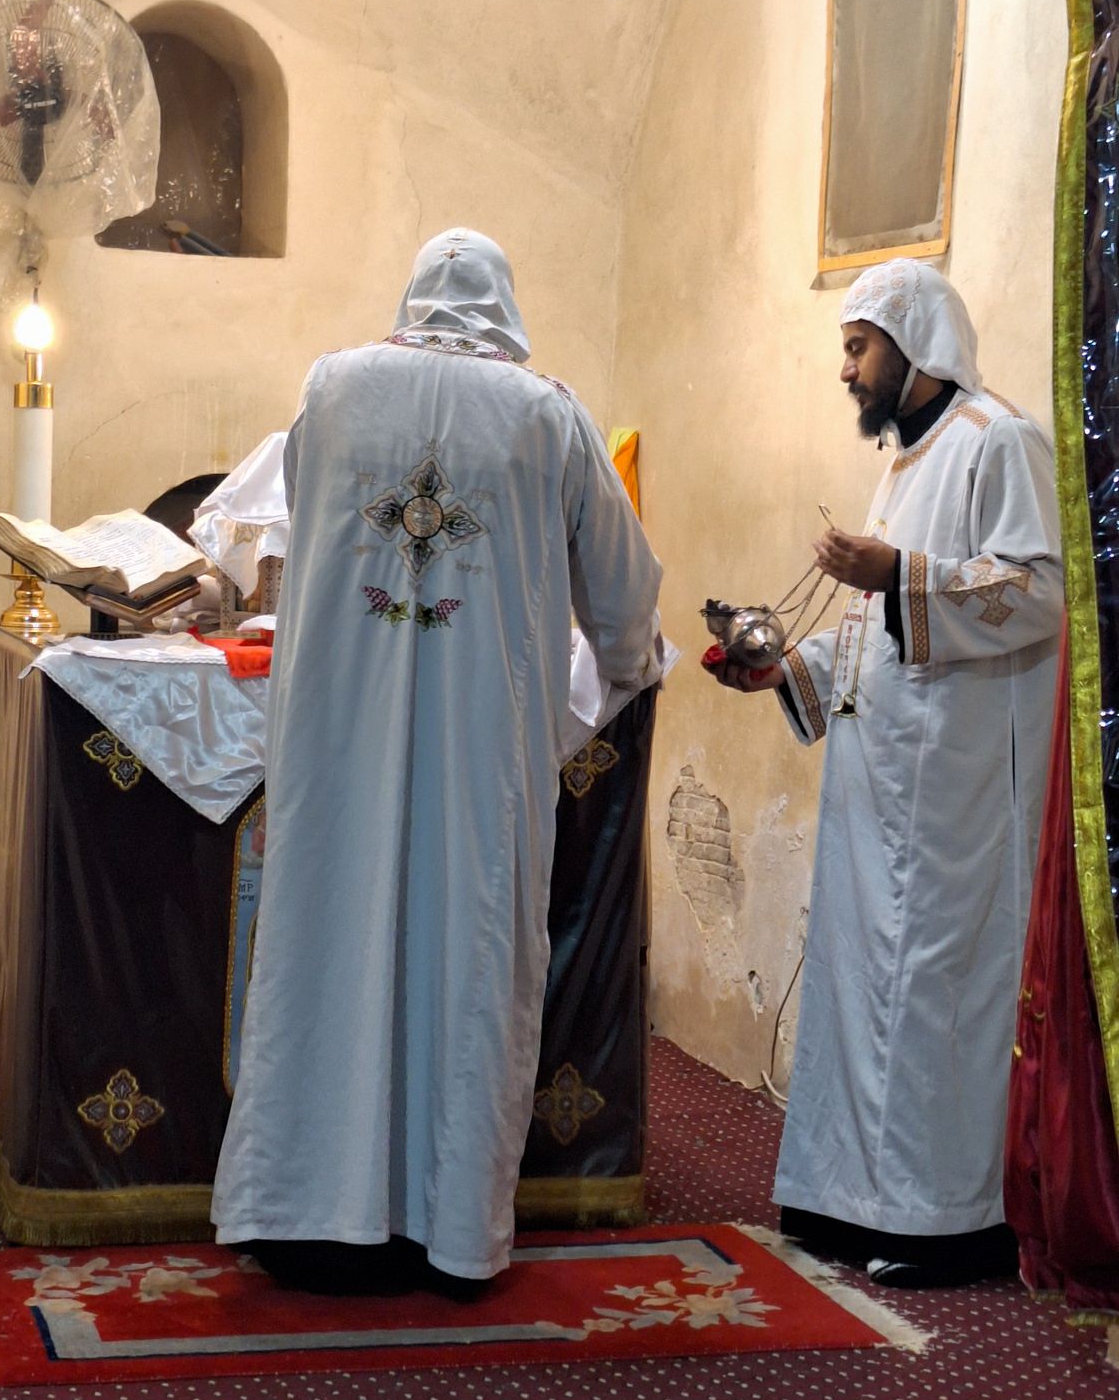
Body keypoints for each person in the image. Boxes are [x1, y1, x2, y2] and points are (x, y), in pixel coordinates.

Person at [210, 228, 663, 1289]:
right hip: (481, 759)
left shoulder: (333, 387)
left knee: (326, 948)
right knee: (469, 957)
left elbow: (279, 519)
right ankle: (445, 1230)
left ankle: (303, 1217)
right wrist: (630, 663)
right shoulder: (546, 414)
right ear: (505, 304)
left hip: (339, 744)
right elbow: (621, 585)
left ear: (412, 296)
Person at [706, 258, 1061, 1286]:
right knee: (863, 986)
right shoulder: (906, 461)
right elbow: (876, 627)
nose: (847, 370)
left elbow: (1039, 594)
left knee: (938, 993)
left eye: (858, 347)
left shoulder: (1000, 441)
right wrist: (782, 667)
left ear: (913, 343)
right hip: (879, 782)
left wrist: (897, 572)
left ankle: (942, 1222)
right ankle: (847, 1200)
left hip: (957, 794)